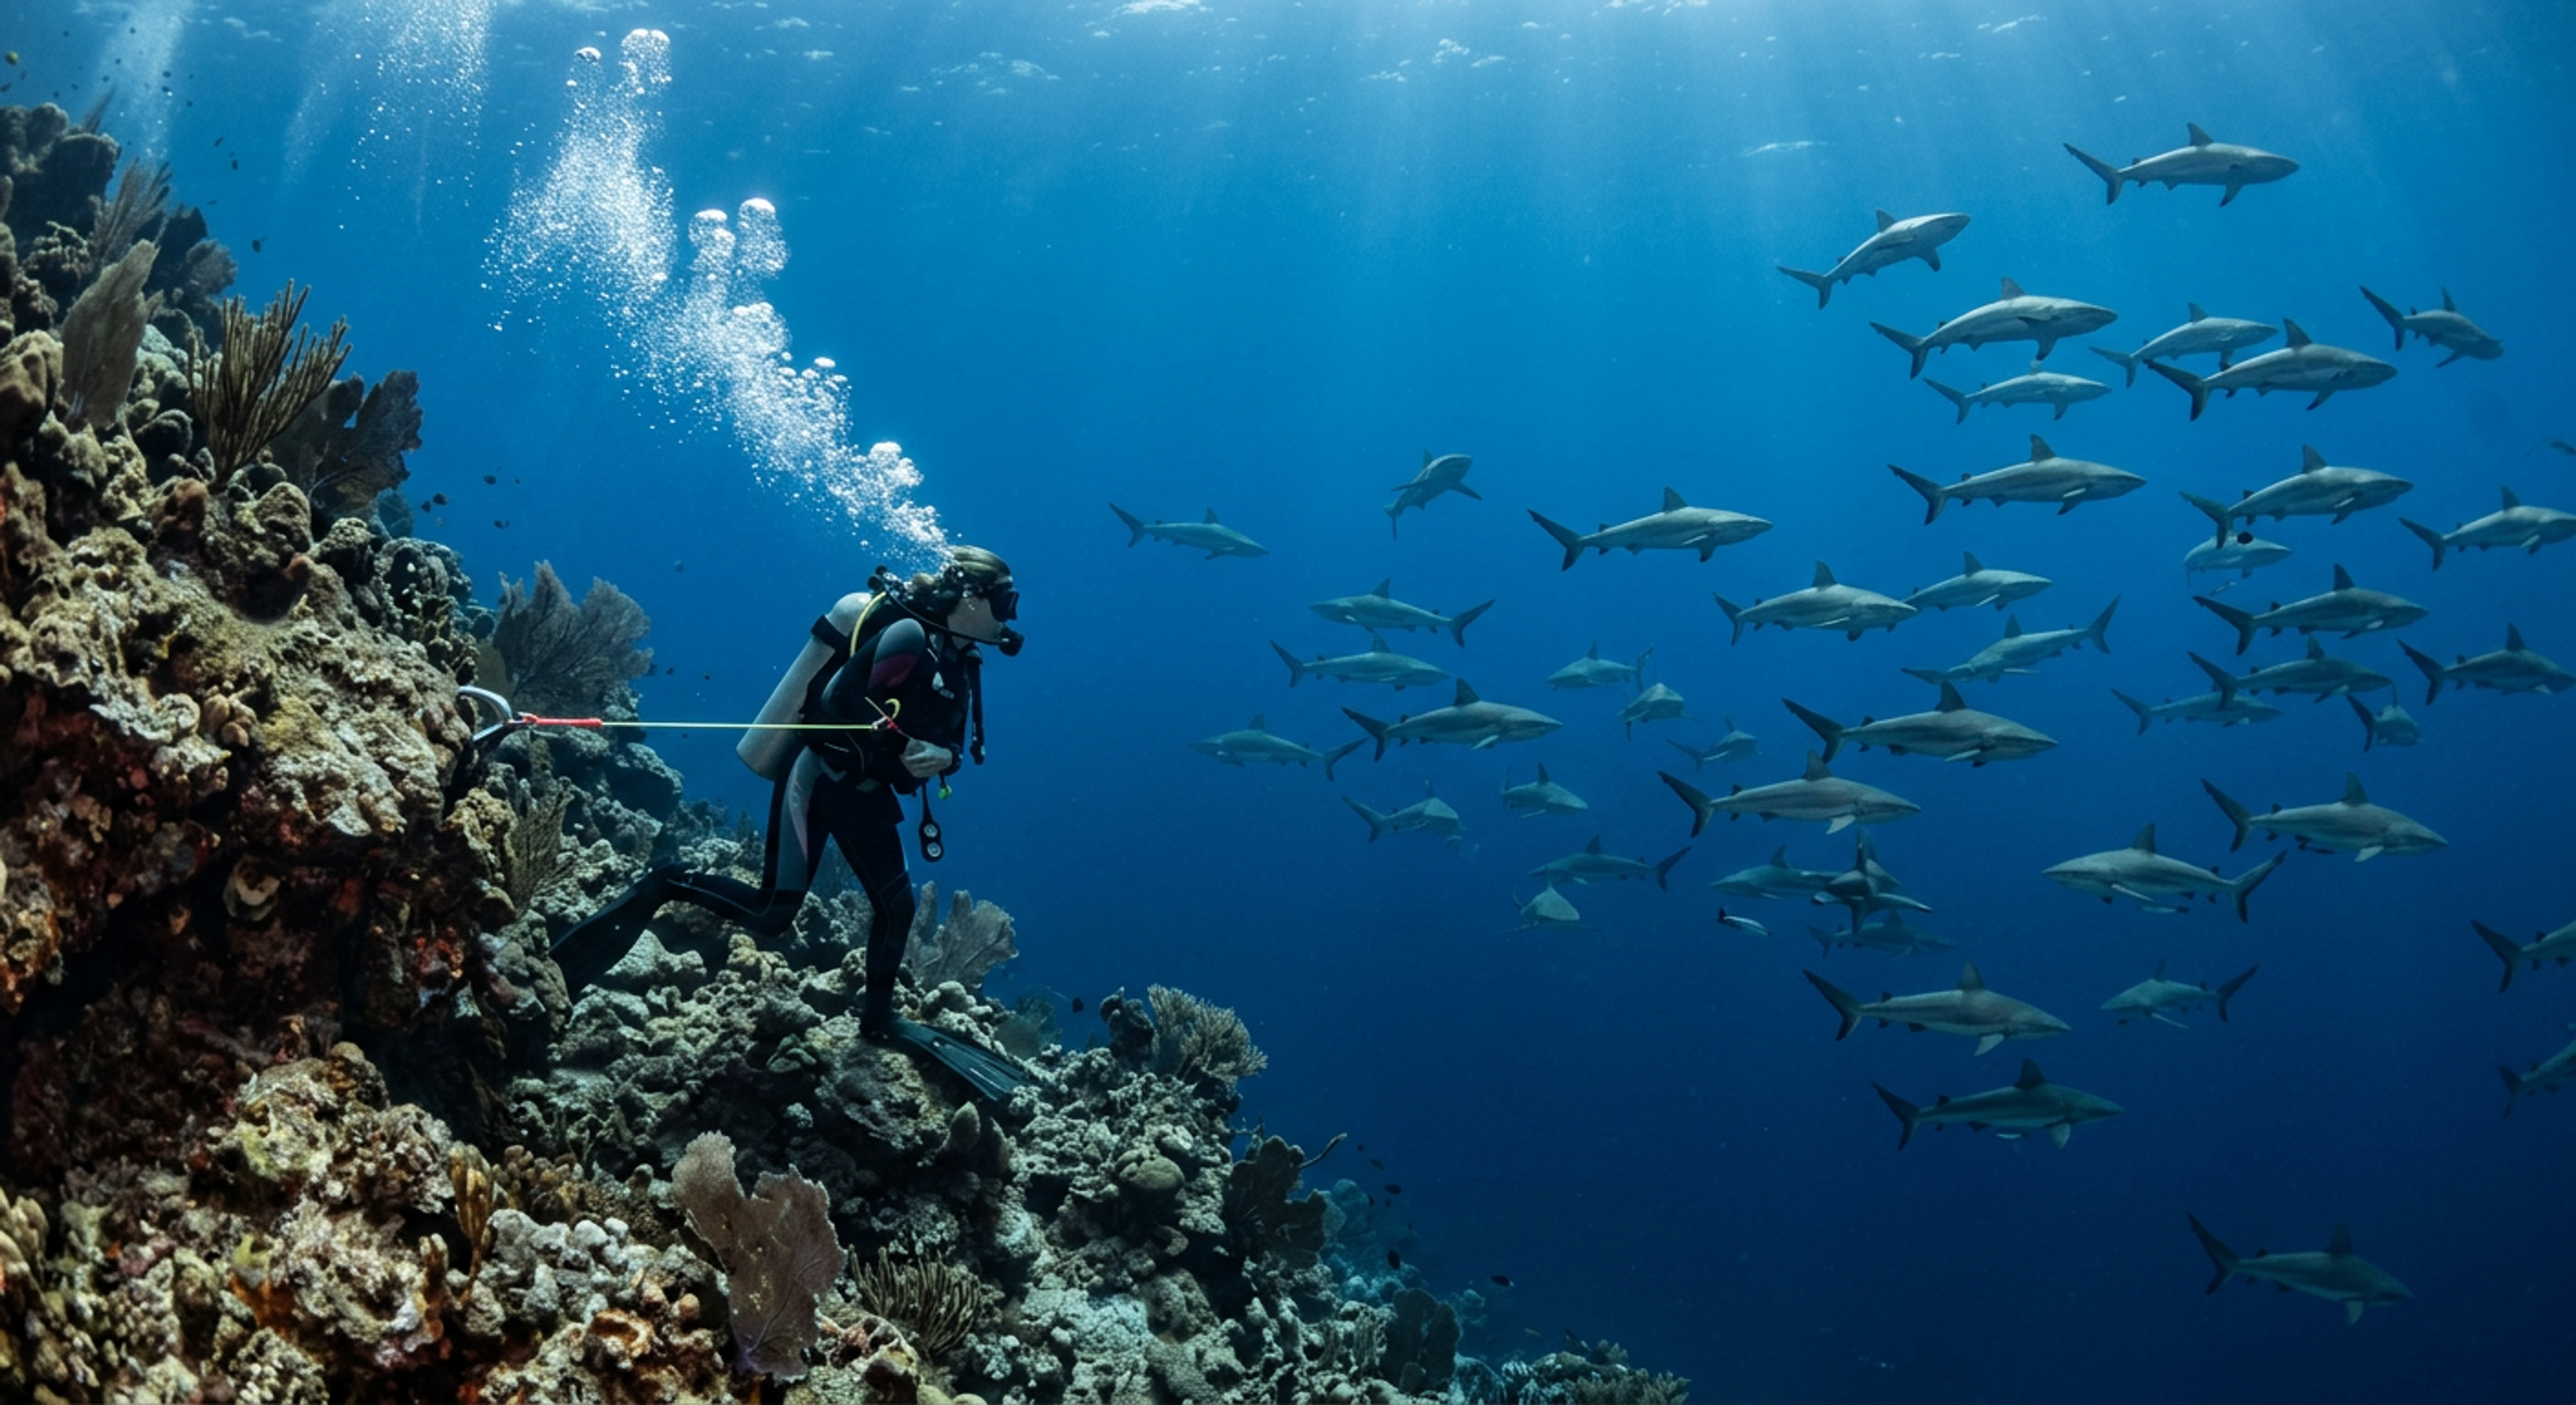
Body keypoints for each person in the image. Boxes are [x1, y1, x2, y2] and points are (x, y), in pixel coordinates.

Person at [551, 547, 1022, 1054]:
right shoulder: (908, 635)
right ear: (971, 597)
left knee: (898, 906)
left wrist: (941, 756)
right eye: (1005, 601)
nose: (1010, 616)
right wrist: (901, 743)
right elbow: (837, 701)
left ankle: (879, 1018)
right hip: (818, 776)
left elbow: (956, 743)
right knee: (773, 913)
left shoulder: (961, 662)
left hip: (867, 791)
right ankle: (667, 882)